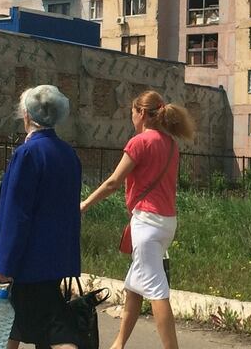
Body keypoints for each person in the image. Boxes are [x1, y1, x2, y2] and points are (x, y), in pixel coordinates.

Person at [80, 90, 196, 349]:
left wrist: (85, 204)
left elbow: (113, 182)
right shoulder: (171, 145)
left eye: (132, 113)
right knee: (134, 285)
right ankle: (118, 344)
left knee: (156, 291)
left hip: (147, 223)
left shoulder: (139, 142)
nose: (131, 118)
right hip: (166, 223)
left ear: (142, 113)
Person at [0, 85, 82, 349]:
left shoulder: (28, 153)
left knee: (55, 329)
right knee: (15, 322)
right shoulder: (68, 153)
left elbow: (16, 212)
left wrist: (5, 262)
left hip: (29, 258)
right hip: (56, 254)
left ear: (28, 115)